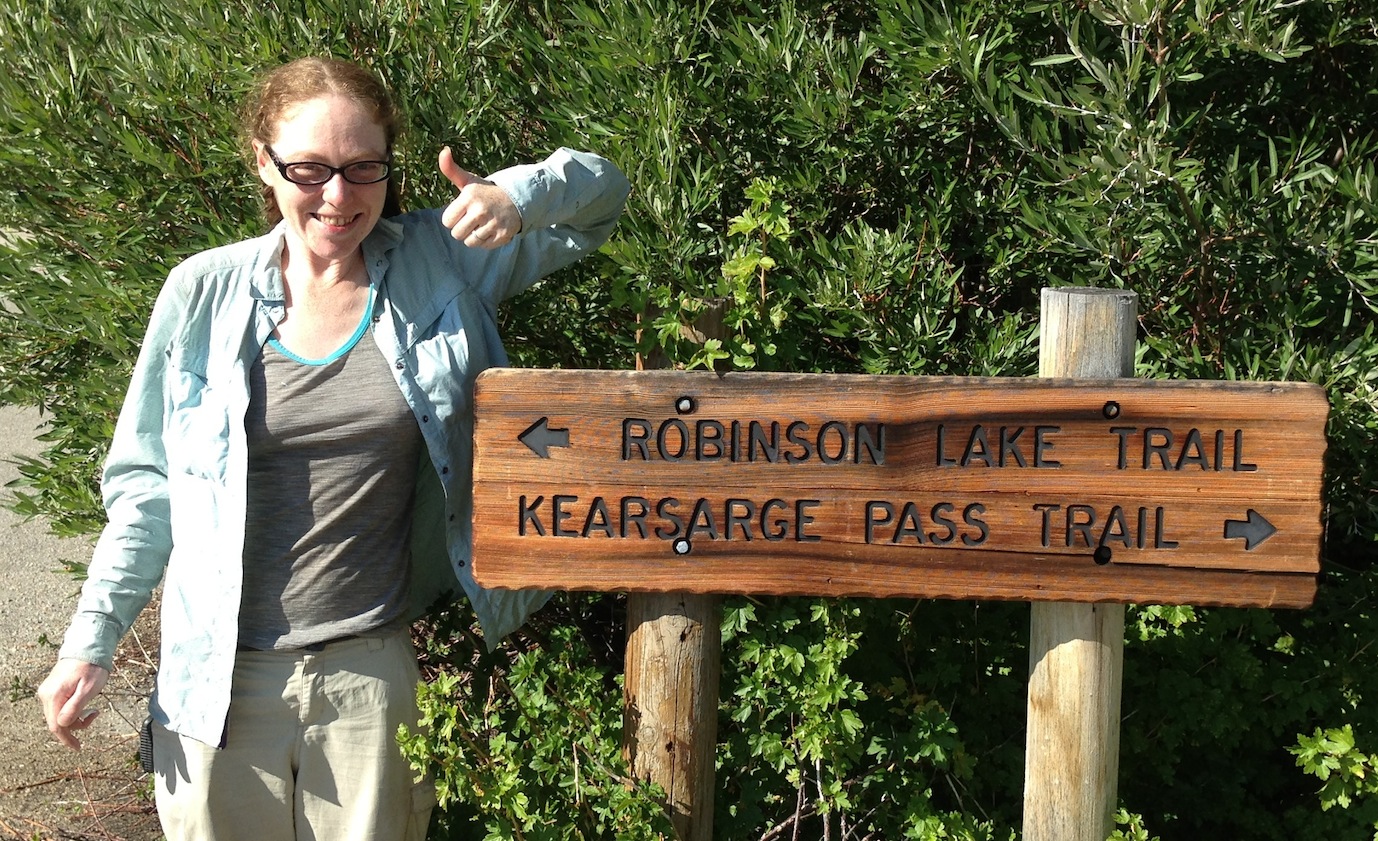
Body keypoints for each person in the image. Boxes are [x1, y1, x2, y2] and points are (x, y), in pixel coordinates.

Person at [35, 56, 631, 840]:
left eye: (363, 168)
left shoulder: (440, 263)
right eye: (310, 169)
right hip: (216, 682)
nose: (339, 197)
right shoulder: (200, 294)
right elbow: (150, 488)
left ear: (390, 165)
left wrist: (516, 198)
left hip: (370, 678)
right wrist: (91, 641)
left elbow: (604, 197)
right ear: (264, 162)